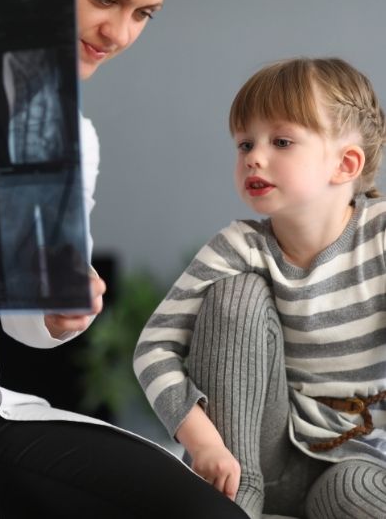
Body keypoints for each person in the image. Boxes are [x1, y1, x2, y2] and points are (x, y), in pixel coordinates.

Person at [0, 0, 251, 518]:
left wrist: (57, 309)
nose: (119, 33)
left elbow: (24, 321)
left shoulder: (73, 139)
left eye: (144, 13)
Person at [134, 56, 386, 519]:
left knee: (351, 493)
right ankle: (236, 499)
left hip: (366, 465)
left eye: (281, 141)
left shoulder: (380, 238)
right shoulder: (238, 246)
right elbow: (153, 349)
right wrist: (206, 446)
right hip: (268, 462)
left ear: (346, 163)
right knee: (236, 296)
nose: (254, 155)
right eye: (244, 142)